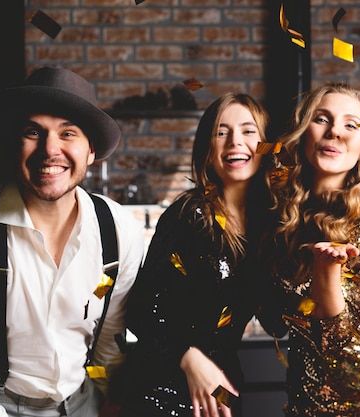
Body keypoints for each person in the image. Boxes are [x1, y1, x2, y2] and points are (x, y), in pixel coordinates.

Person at [0, 66, 146, 416]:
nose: (50, 150)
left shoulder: (119, 232)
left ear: (91, 151)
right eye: (33, 132)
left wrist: (108, 401)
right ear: (15, 144)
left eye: (67, 133)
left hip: (83, 403)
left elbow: (107, 345)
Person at [259, 83, 360, 417]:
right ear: (305, 133)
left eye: (351, 125)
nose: (335, 132)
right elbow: (274, 321)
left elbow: (335, 338)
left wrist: (326, 270)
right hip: (306, 402)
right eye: (322, 119)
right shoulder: (284, 216)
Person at [114, 92, 273, 417]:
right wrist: (190, 358)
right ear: (207, 149)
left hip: (222, 388)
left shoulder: (269, 225)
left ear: (266, 145)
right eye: (221, 132)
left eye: (248, 131)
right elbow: (140, 310)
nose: (235, 142)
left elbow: (276, 322)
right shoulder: (189, 214)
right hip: (160, 388)